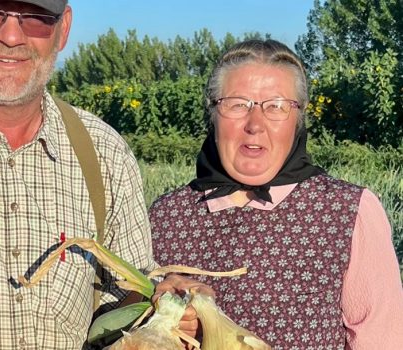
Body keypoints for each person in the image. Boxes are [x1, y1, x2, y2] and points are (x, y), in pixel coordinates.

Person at [0, 0, 204, 348]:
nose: (12, 36)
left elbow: (125, 298)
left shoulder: (104, 151)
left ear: (63, 28)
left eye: (36, 18)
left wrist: (163, 308)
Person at [149, 39, 403, 349]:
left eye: (276, 107)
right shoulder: (165, 215)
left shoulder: (347, 211)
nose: (255, 124)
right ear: (213, 113)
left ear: (299, 119)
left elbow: (383, 341)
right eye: (237, 104)